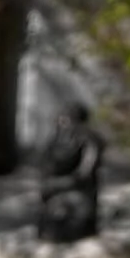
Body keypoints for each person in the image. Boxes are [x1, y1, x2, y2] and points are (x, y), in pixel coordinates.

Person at [37, 101, 103, 243]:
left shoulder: (89, 141)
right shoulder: (55, 141)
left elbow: (85, 173)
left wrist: (58, 184)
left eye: (66, 120)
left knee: (73, 212)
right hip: (56, 192)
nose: (62, 124)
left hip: (79, 193)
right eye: (60, 120)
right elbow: (46, 168)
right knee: (51, 219)